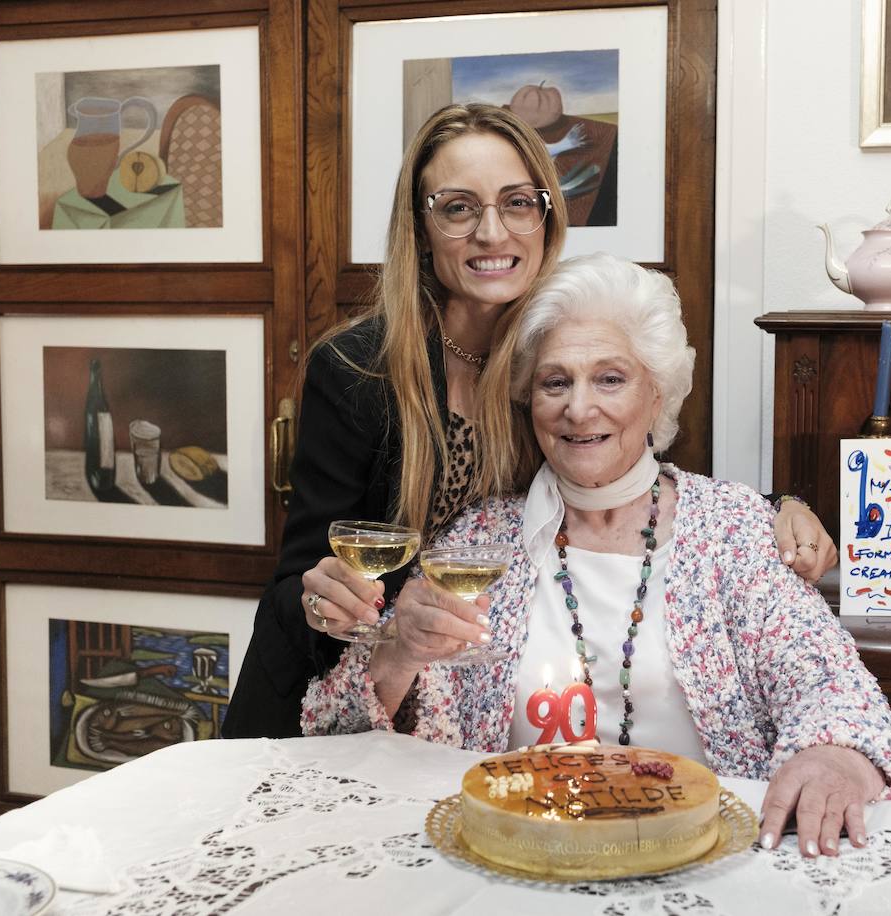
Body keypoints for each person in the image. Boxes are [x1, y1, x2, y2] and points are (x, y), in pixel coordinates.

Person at [222, 104, 838, 739]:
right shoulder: (358, 369)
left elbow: (628, 464)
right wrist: (324, 600)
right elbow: (299, 579)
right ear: (422, 226)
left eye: (517, 203)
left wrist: (775, 508)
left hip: (449, 705)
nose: (492, 234)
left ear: (547, 214)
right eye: (459, 208)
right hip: (320, 702)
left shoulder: (549, 352)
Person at [301, 254, 891, 859]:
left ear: (656, 396)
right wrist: (399, 654)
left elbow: (831, 688)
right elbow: (347, 737)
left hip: (698, 859)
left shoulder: (735, 530)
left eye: (610, 378)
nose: (579, 408)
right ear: (530, 400)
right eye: (556, 382)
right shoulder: (479, 539)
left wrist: (833, 757)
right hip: (520, 861)